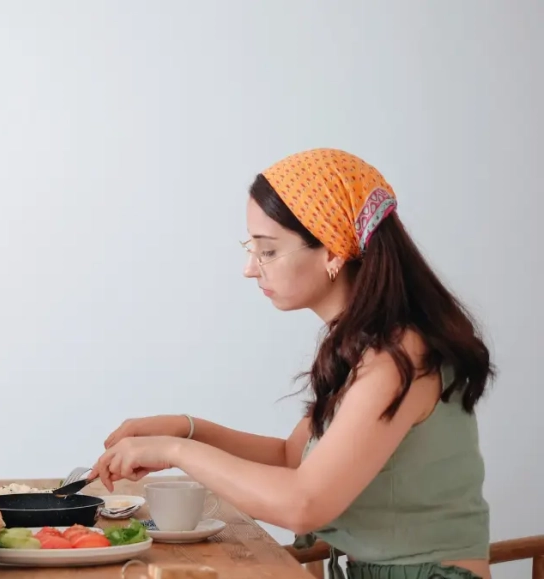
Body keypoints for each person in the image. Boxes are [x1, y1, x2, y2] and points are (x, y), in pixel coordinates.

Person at [92, 149, 495, 579]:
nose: (250, 269)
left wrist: (173, 450)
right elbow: (292, 458)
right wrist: (185, 427)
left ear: (332, 252)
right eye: (252, 249)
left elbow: (303, 504)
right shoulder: (364, 346)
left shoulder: (397, 357)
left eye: (267, 251)